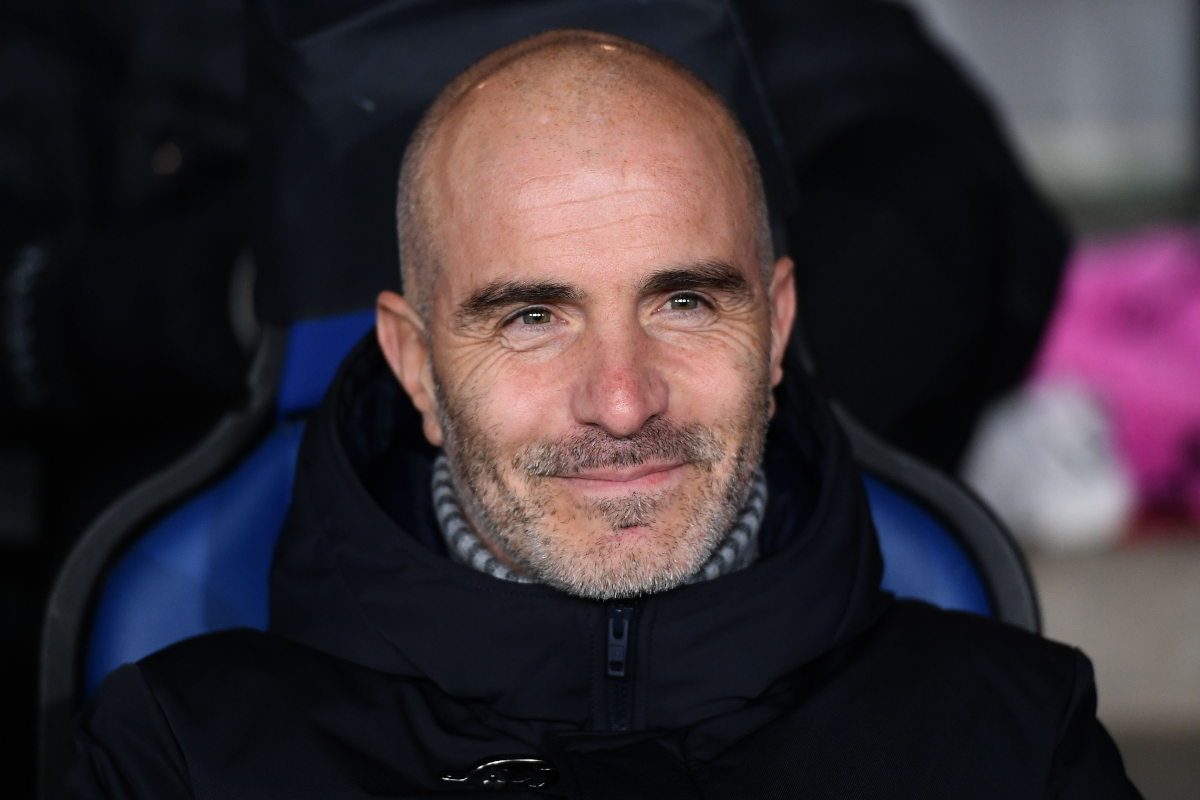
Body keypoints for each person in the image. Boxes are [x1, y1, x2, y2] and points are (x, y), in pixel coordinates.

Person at [56, 30, 1135, 799]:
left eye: (684, 301)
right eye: (531, 315)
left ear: (776, 329)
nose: (623, 400)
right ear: (416, 365)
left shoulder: (1011, 732)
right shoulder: (182, 755)